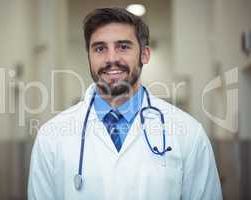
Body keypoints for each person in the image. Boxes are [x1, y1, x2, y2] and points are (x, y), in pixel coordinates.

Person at [28, 7, 222, 200]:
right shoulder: (51, 138)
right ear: (89, 55)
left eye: (123, 47)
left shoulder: (189, 134)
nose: (111, 59)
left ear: (145, 54)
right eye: (100, 48)